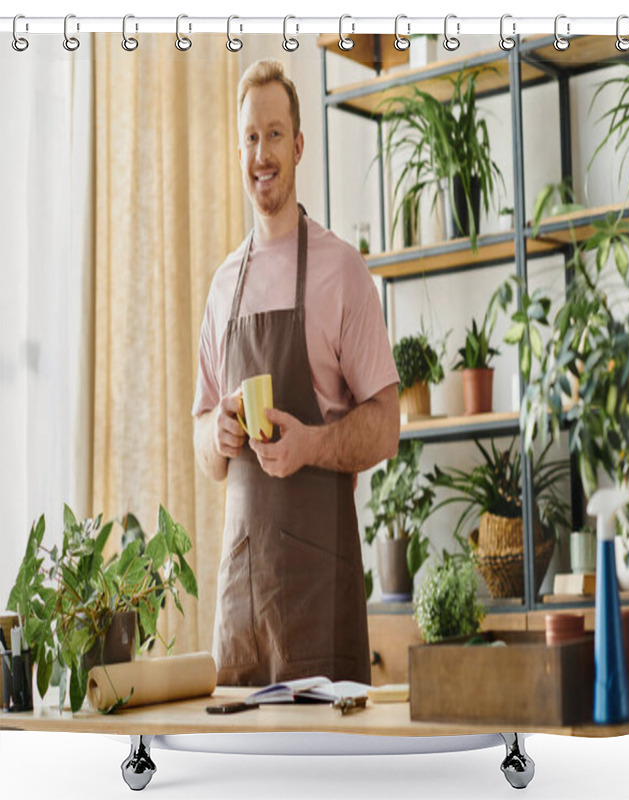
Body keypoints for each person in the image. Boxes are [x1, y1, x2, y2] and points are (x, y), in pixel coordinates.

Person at [192, 59, 400, 687]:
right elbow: (202, 436)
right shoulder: (223, 285)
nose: (262, 152)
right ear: (239, 153)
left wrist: (312, 444)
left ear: (299, 145)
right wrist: (218, 436)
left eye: (275, 134)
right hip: (241, 602)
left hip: (320, 593)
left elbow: (386, 426)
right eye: (251, 138)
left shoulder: (343, 271)